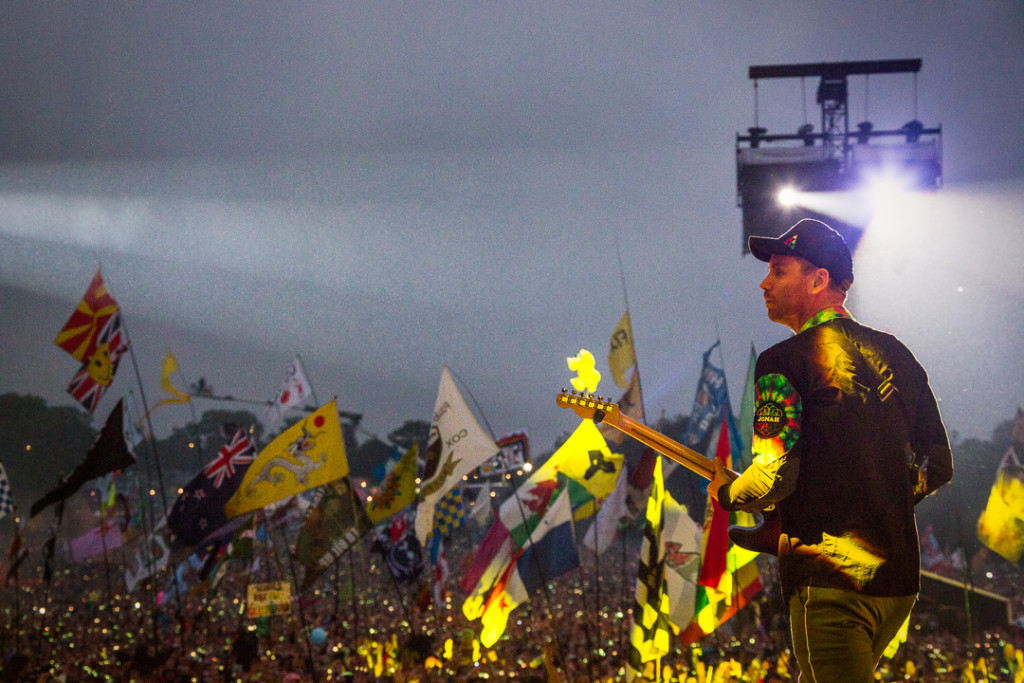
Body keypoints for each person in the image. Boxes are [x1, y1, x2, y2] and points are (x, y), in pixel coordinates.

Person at [707, 218, 953, 683]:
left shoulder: (782, 362)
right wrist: (884, 493)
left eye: (779, 271)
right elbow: (937, 464)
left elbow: (775, 472)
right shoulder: (897, 355)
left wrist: (728, 492)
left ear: (819, 280)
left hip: (830, 581)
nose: (764, 282)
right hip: (898, 582)